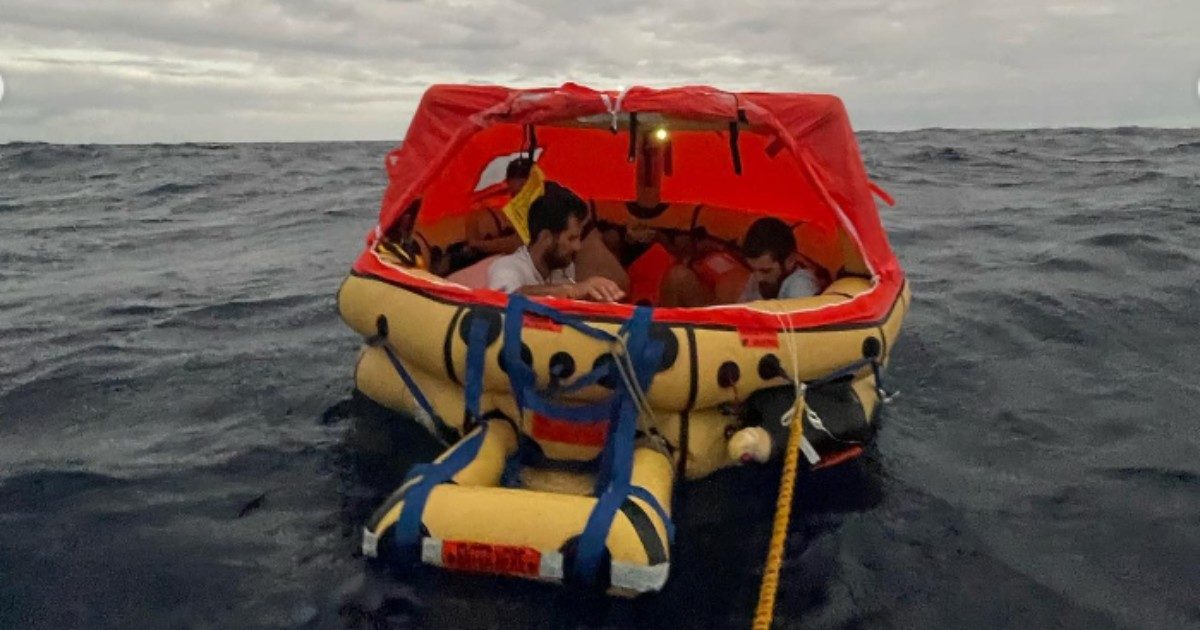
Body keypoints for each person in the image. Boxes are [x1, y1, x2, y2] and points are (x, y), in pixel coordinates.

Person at [487, 182, 625, 302]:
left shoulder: (564, 267)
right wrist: (573, 290)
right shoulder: (506, 267)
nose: (578, 247)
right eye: (571, 238)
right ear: (545, 237)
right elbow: (505, 301)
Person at [739, 217, 820, 301]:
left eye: (766, 271)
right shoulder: (757, 276)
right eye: (752, 269)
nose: (758, 278)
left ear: (790, 260)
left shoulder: (800, 287)